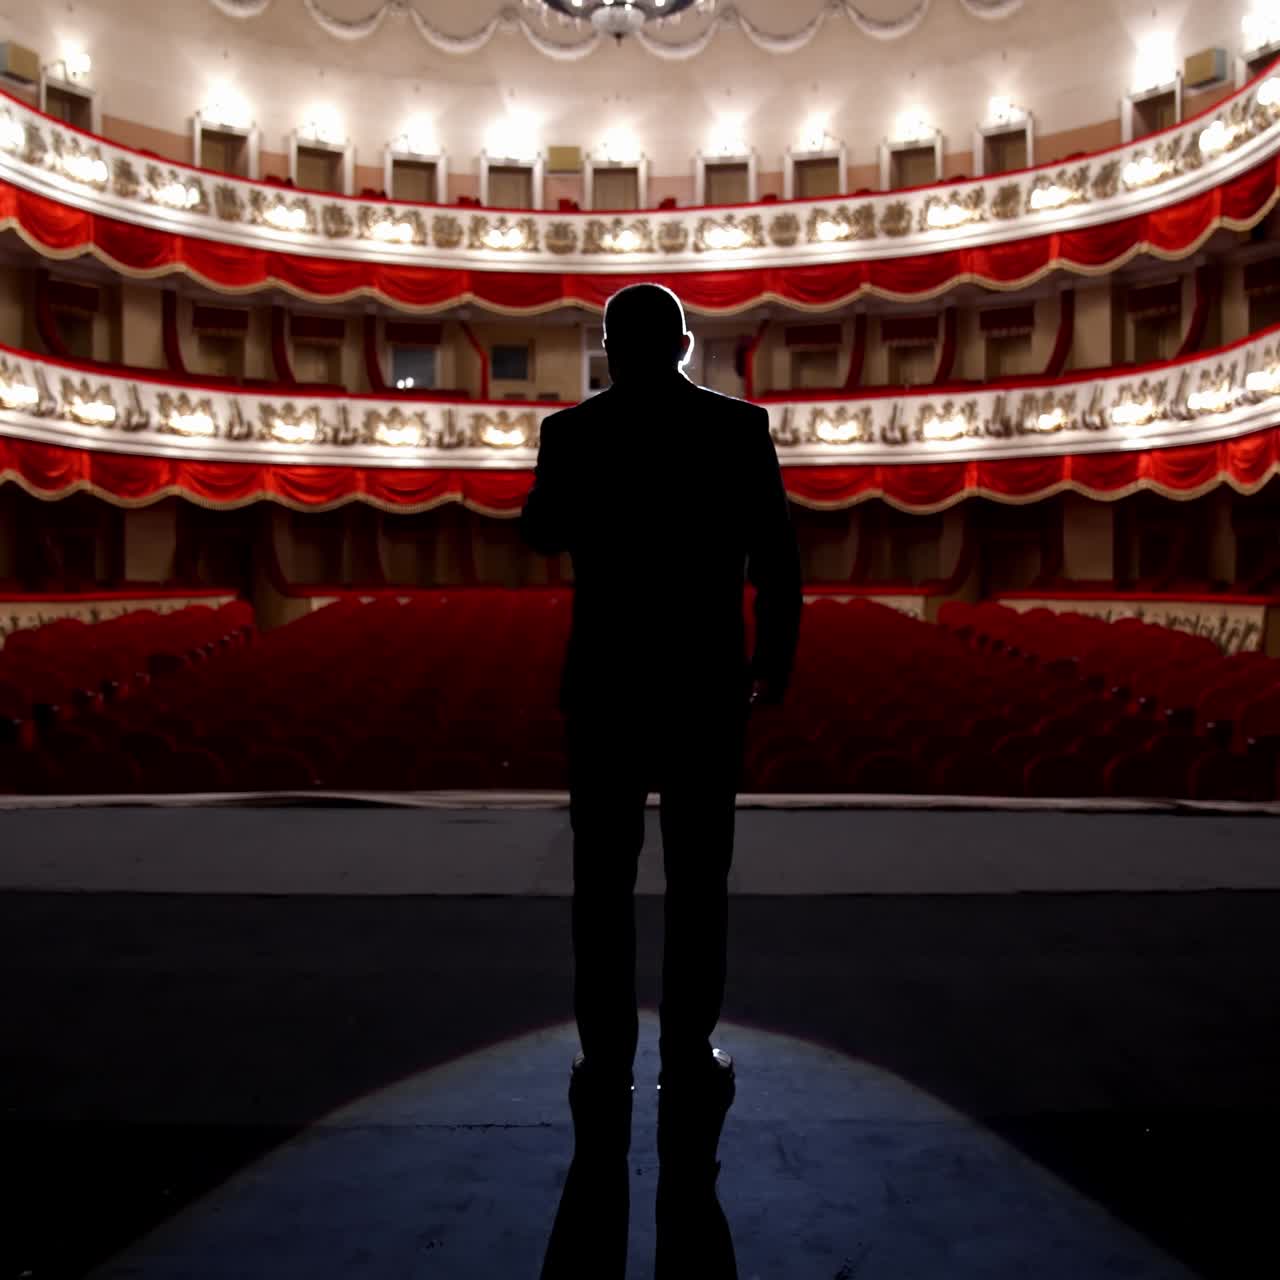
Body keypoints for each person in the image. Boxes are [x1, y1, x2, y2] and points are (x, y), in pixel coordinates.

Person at [522, 282, 802, 1277]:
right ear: (683, 344)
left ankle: (605, 1056)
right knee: (698, 879)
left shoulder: (572, 431)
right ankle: (689, 1051)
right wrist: (772, 657)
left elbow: (540, 533)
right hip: (698, 682)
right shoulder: (736, 428)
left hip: (604, 681)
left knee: (599, 881)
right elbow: (775, 555)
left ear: (607, 348)